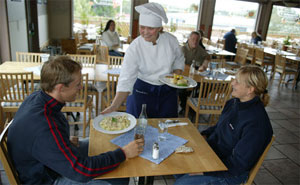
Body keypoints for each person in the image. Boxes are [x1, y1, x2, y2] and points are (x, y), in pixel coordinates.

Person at [7, 56, 144, 185]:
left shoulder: (38, 97)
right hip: (46, 179)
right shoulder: (44, 126)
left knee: (104, 144)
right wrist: (123, 153)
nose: (81, 87)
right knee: (119, 178)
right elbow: (81, 170)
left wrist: (61, 141)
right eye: (77, 84)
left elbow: (43, 141)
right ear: (60, 88)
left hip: (46, 162)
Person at [174, 65, 273, 185]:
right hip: (213, 155)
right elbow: (219, 127)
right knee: (177, 165)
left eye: (237, 81)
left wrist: (205, 171)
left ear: (250, 89)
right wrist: (202, 137)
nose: (232, 83)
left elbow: (238, 164)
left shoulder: (256, 124)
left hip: (229, 172)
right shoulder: (234, 103)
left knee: (182, 183)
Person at [102, 2, 185, 118]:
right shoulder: (135, 47)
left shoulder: (171, 41)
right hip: (142, 92)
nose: (145, 32)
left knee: (167, 129)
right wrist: (114, 106)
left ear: (159, 28)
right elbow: (126, 78)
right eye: (142, 27)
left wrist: (177, 73)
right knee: (139, 130)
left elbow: (179, 59)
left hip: (167, 93)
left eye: (150, 28)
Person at [179, 31, 209, 113]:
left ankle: (194, 107)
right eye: (193, 39)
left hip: (195, 76)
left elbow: (207, 56)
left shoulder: (199, 49)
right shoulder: (183, 49)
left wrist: (204, 65)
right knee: (181, 89)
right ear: (188, 39)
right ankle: (184, 106)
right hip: (183, 75)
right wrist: (194, 69)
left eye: (197, 40)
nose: (195, 41)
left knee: (206, 86)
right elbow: (181, 64)